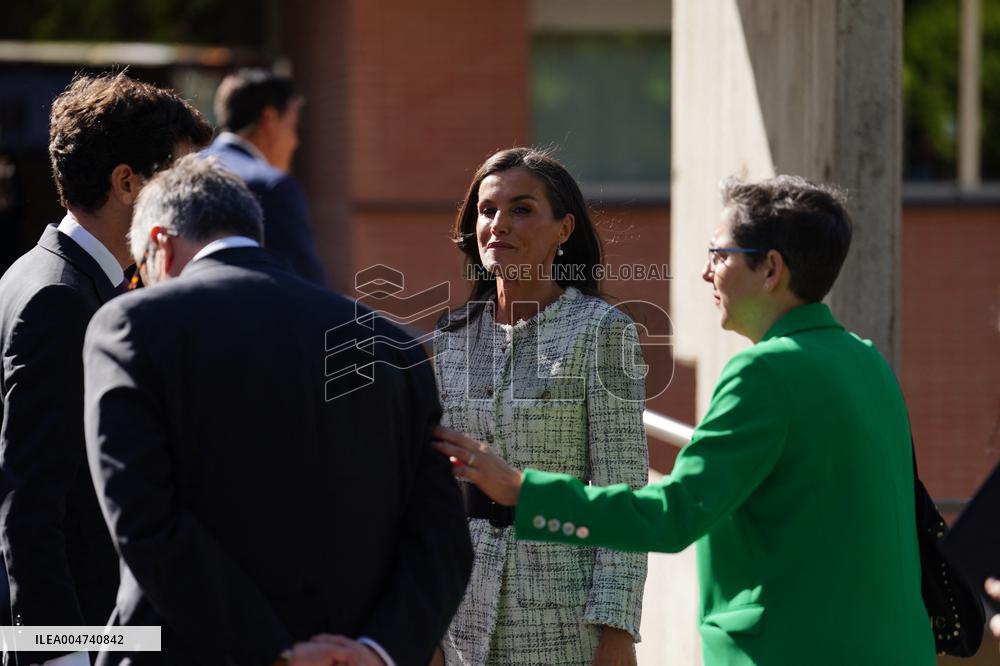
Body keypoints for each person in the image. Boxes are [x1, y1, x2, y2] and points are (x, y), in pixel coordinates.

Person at [435, 175, 938, 665]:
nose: (706, 271)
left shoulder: (762, 372)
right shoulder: (867, 359)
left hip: (795, 648)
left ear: (770, 270)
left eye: (720, 255)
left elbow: (674, 514)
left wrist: (523, 490)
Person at [82, 155, 472, 666]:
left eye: (142, 272)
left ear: (159, 244)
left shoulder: (131, 327)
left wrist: (277, 653)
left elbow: (145, 520)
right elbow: (441, 532)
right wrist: (379, 650)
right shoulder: (388, 342)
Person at [0, 73, 211, 665]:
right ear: (126, 182)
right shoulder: (57, 298)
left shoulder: (48, 276)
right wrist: (57, 654)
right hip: (80, 634)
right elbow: (28, 503)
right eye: (179, 183)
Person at [434, 147, 647, 665]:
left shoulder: (603, 331)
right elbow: (429, 491)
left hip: (565, 616)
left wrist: (616, 630)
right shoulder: (451, 336)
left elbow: (623, 493)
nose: (499, 224)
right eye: (487, 211)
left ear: (563, 229)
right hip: (458, 613)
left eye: (522, 209)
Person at [201, 68, 327, 286]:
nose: (295, 141)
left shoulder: (180, 168)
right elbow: (308, 288)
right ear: (269, 119)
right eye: (293, 126)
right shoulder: (272, 186)